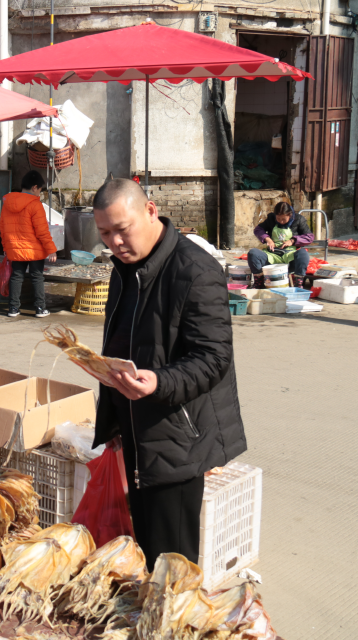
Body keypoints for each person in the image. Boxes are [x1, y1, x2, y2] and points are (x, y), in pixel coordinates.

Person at [91, 178, 247, 568]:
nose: (114, 243)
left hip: (178, 435)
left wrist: (159, 382)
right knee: (145, 547)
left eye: (122, 230)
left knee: (171, 559)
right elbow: (123, 343)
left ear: (151, 210)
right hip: (136, 427)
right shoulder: (124, 270)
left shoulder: (196, 270)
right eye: (105, 234)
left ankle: (175, 626)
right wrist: (112, 418)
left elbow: (213, 359)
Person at [0, 171, 57, 318]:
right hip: (34, 250)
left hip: (15, 249)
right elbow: (42, 231)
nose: (39, 193)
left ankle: (13, 308)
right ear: (34, 187)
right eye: (39, 190)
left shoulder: (7, 203)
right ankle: (40, 308)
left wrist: (6, 248)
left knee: (16, 276)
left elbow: (3, 228)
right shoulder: (35, 205)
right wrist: (51, 250)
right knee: (37, 276)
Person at [246, 202, 313, 288]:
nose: (281, 221)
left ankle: (298, 285)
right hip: (272, 255)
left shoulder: (299, 220)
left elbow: (309, 237)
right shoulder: (271, 219)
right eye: (278, 219)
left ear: (290, 215)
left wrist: (293, 240)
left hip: (290, 256)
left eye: (284, 219)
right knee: (253, 253)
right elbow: (258, 229)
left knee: (303, 254)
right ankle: (259, 284)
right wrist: (268, 239)